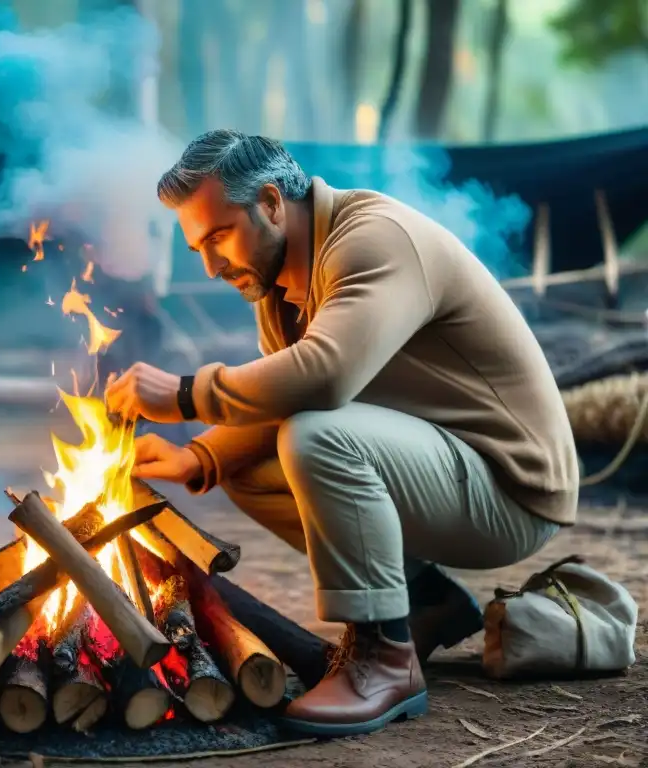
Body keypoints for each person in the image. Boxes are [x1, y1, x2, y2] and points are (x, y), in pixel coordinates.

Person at [104, 129, 578, 737]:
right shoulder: (279, 283)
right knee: (245, 466)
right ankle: (423, 600)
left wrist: (183, 394)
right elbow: (282, 398)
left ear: (272, 203)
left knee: (317, 436)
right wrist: (195, 459)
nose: (210, 265)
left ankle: (383, 658)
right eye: (198, 246)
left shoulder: (374, 240)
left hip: (511, 487)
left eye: (219, 236)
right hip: (442, 465)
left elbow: (323, 379)